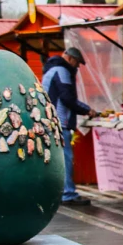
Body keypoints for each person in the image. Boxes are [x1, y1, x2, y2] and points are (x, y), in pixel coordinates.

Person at [42, 47, 93, 206]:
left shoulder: (50, 70)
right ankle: (67, 193)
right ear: (70, 59)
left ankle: (56, 192)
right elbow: (67, 98)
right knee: (65, 159)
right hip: (59, 122)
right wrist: (87, 110)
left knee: (54, 160)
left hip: (48, 121)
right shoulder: (62, 71)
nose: (77, 67)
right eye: (77, 63)